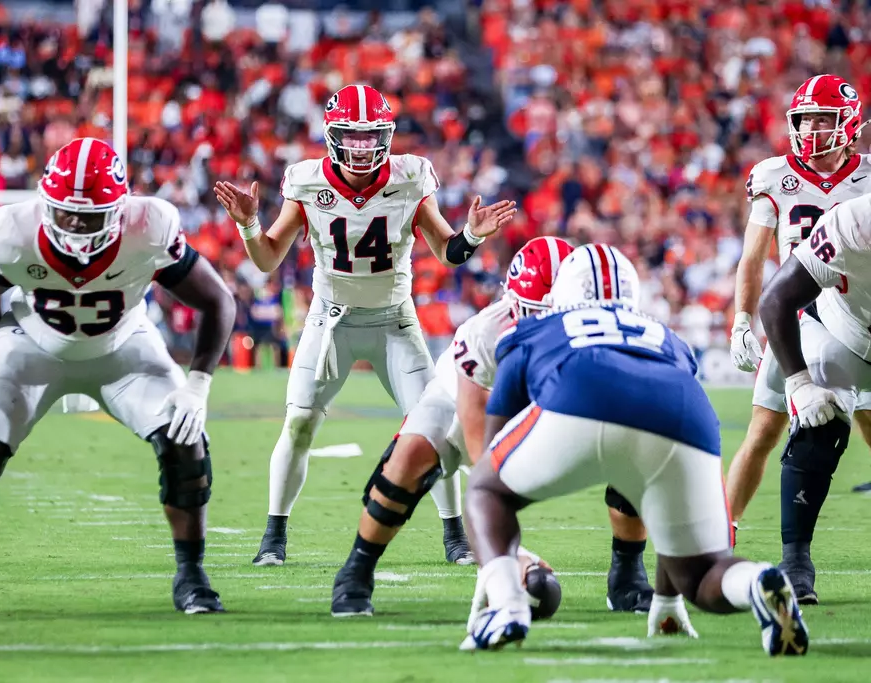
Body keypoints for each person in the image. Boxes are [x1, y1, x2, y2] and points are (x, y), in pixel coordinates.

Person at [0, 138, 236, 615]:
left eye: (91, 215)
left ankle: (192, 575)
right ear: (45, 201)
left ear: (121, 208)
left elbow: (217, 301)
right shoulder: (13, 229)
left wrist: (198, 385)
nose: (78, 226)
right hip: (33, 347)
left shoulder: (149, 226)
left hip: (122, 347)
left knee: (185, 441)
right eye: (67, 213)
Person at [214, 84, 516, 566]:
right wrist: (249, 226)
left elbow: (448, 252)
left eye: (370, 136)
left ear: (387, 136)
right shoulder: (306, 181)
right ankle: (274, 535)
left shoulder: (412, 177)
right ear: (332, 137)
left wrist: (473, 235)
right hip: (329, 319)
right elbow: (268, 258)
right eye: (350, 137)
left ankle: (455, 535)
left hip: (395, 320)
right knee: (298, 424)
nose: (361, 147)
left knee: (432, 425)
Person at [462, 244, 807, 658]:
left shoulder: (536, 329)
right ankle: (756, 581)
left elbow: (494, 457)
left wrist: (495, 567)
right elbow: (663, 494)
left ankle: (508, 609)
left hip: (582, 395)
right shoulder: (668, 337)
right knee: (701, 573)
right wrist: (667, 602)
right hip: (686, 415)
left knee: (485, 490)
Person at [330, 236, 654, 616]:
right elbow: (481, 454)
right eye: (530, 311)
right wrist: (506, 553)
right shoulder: (485, 335)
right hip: (470, 406)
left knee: (633, 444)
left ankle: (628, 575)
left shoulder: (606, 332)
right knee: (408, 459)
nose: (538, 323)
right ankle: (356, 570)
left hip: (556, 410)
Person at [727, 75, 871, 583]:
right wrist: (743, 319)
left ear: (848, 125)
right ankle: (720, 536)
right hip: (795, 314)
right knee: (764, 429)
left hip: (856, 312)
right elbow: (753, 257)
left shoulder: (869, 177)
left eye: (823, 119)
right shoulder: (775, 175)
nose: (811, 128)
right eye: (805, 118)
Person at [759, 190, 871, 606]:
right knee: (821, 420)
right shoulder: (852, 223)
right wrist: (799, 383)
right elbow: (776, 299)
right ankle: (796, 561)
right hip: (844, 335)